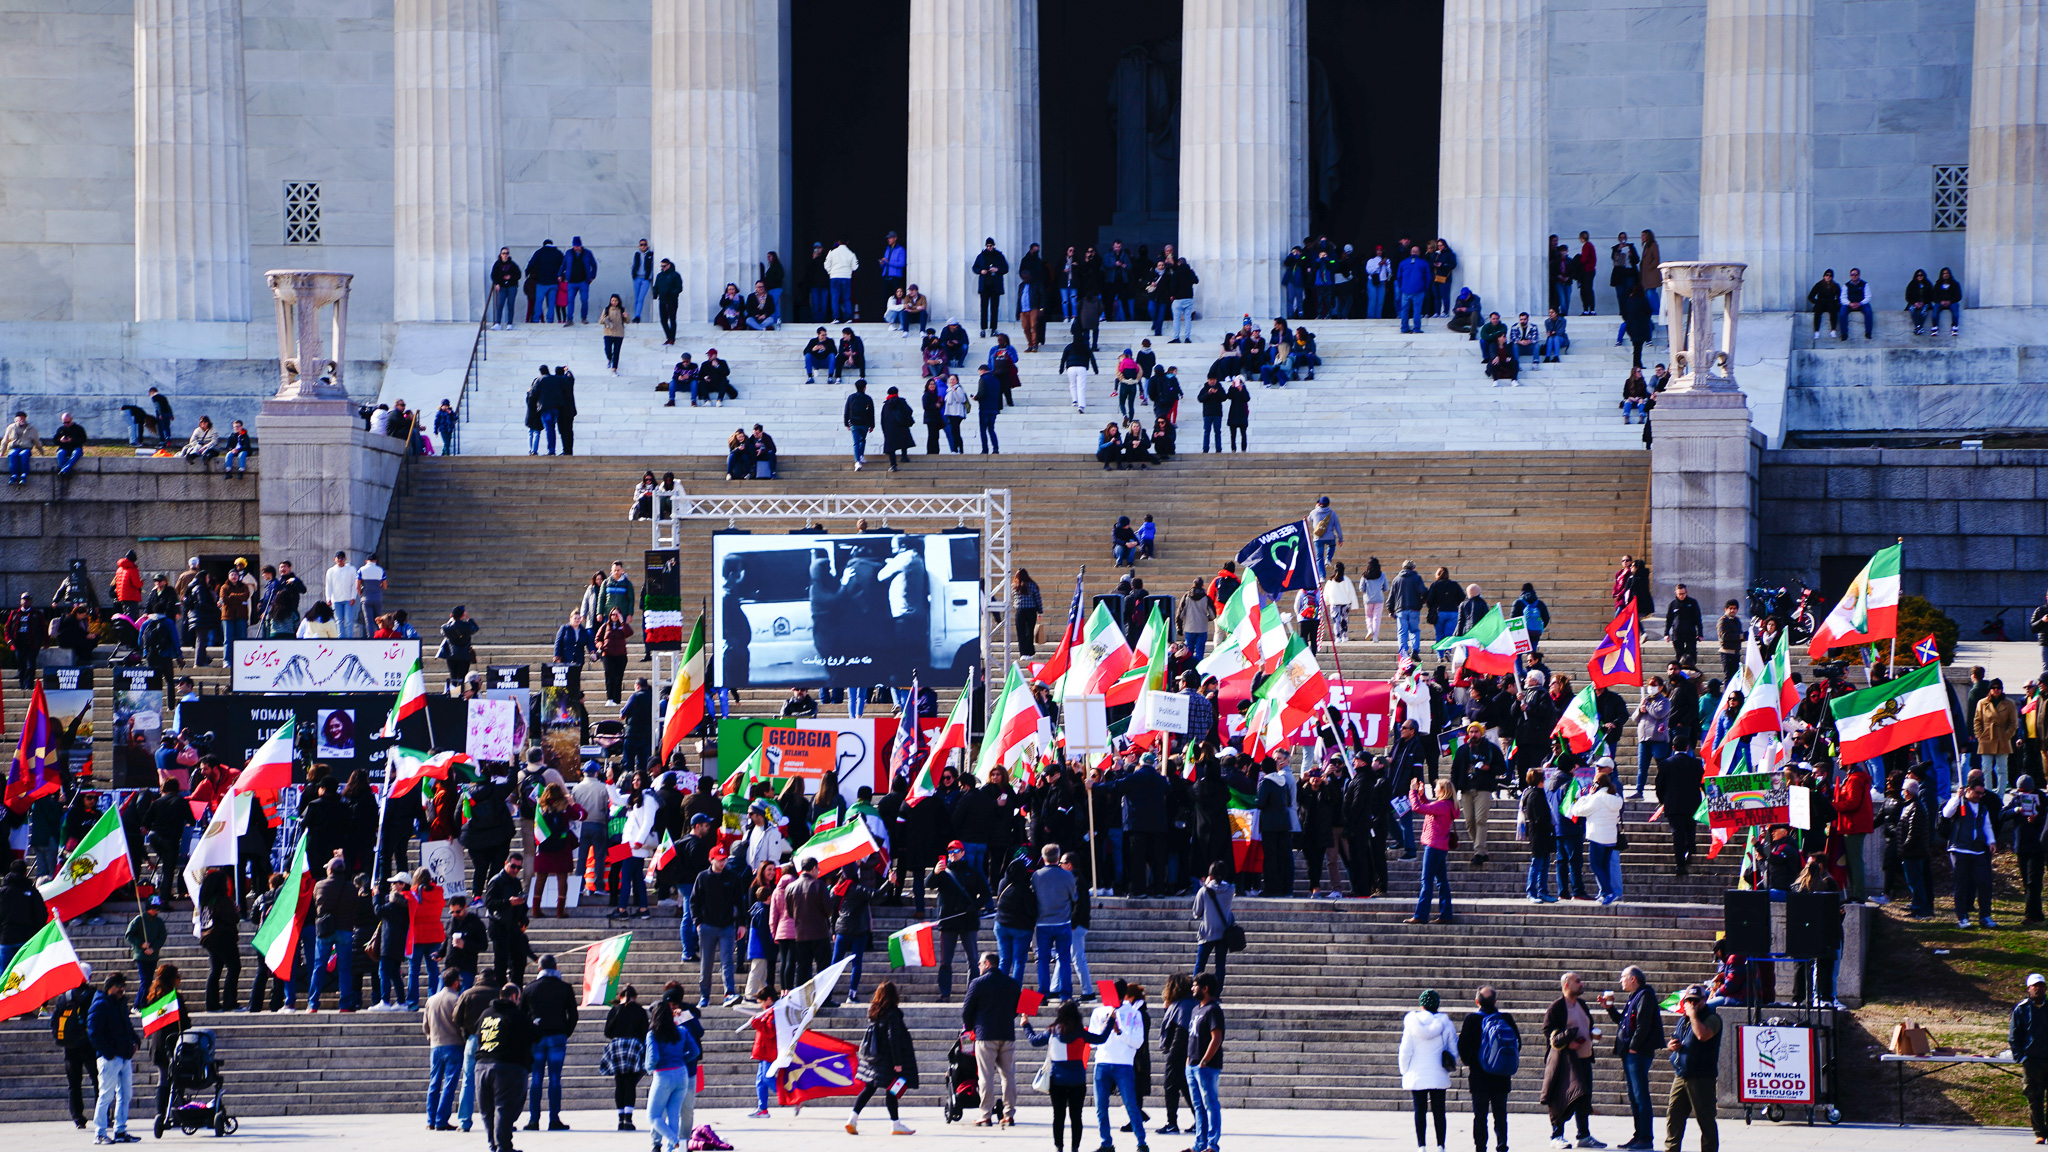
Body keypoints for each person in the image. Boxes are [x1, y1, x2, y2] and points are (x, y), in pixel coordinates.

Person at [1024, 998, 1113, 1152]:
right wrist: (1110, 1021)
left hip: (1057, 1081)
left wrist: (1026, 1024)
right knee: (1076, 1117)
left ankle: (1059, 1147)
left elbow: (1033, 1041)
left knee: (1058, 1116)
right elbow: (1101, 1039)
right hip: (1077, 1081)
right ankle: (1075, 1148)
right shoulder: (1081, 1033)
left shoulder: (1051, 1031)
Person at [1597, 967, 1664, 1150]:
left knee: (1640, 1096)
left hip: (1638, 1053)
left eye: (1623, 977)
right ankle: (1638, 1135)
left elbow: (1643, 1025)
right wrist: (1610, 1009)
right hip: (1629, 1053)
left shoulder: (1645, 996)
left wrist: (1634, 1048)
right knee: (1634, 1096)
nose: (1620, 981)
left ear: (1633, 979)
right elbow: (1624, 1022)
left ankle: (1645, 1137)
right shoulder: (1635, 996)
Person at [847, 981, 917, 1135]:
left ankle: (852, 1119)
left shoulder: (874, 1011)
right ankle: (896, 1124)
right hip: (888, 1059)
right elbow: (893, 1038)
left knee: (869, 1088)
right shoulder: (893, 1013)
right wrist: (898, 1063)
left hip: (875, 1058)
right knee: (892, 1090)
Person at [961, 952, 1021, 1127]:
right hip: (1007, 1034)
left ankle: (986, 1114)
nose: (978, 966)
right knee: (1008, 1075)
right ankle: (1008, 1114)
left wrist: (971, 1028)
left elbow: (966, 1011)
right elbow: (1016, 1009)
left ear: (987, 964)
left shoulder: (978, 983)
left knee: (986, 1076)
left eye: (980, 963)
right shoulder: (1011, 983)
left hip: (985, 1036)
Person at [476, 983, 536, 1152]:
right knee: (504, 1107)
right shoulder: (517, 1015)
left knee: (487, 1110)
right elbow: (535, 1035)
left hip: (481, 1065)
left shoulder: (485, 1014)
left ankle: (493, 1144)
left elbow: (475, 1035)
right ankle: (503, 1146)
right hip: (507, 1066)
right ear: (514, 997)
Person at [1459, 986, 1519, 1152]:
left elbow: (1463, 1047)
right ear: (1495, 1001)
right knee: (1500, 1113)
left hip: (1479, 1076)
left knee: (1480, 1115)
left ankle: (1480, 1147)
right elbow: (1517, 1043)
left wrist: (1474, 1063)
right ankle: (1501, 1145)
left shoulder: (1472, 1020)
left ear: (1477, 1001)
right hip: (1501, 1074)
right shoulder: (1506, 1018)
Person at [1088, 984, 1146, 1152]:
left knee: (1130, 1104)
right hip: (1102, 1063)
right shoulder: (1099, 1012)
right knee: (1101, 1106)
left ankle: (1141, 1142)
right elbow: (1092, 1041)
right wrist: (1105, 1027)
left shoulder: (1134, 1014)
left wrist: (1119, 1031)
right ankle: (1106, 1143)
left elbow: (1138, 1042)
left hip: (1124, 1064)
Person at [1664, 985, 1721, 1152]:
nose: (1692, 1004)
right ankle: (1671, 1149)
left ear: (1704, 1000)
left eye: (1696, 1001)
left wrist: (1693, 1015)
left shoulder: (1712, 1018)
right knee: (1674, 1116)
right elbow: (1679, 1038)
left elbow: (1703, 1035)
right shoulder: (1684, 1019)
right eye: (1689, 1000)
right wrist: (1672, 1046)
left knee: (1705, 1119)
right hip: (1681, 1074)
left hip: (1701, 1076)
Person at [1400, 988, 1458, 1152]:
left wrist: (1405, 1070)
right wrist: (1448, 1068)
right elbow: (1453, 1049)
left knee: (1420, 1110)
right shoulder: (1445, 1024)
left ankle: (1422, 1145)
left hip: (1417, 1073)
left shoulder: (1412, 1024)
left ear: (1422, 1005)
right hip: (1438, 1073)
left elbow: (1405, 1051)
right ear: (1437, 1005)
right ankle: (1441, 1145)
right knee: (1439, 1111)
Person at [643, 998, 701, 1152]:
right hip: (682, 1073)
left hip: (663, 1075)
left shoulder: (653, 1034)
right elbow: (695, 1051)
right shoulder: (682, 1031)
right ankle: (672, 1148)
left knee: (653, 1116)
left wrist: (648, 1068)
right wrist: (682, 1059)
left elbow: (653, 1057)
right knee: (673, 1113)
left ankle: (675, 1142)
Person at [1944, 774, 1999, 928]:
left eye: (1982, 794)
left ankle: (1985, 916)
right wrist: (1957, 797)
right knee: (1961, 884)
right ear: (1968, 791)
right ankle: (1962, 917)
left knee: (1985, 883)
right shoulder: (1960, 803)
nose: (1980, 796)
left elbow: (1986, 826)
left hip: (1978, 851)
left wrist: (1991, 841)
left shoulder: (1983, 808)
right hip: (1959, 849)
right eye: (1977, 793)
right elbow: (1946, 813)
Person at [88, 971, 138, 1144]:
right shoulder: (100, 1004)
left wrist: (135, 1040)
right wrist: (109, 1052)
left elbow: (127, 1025)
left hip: (124, 1056)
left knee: (126, 1094)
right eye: (119, 986)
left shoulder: (120, 1004)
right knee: (106, 1095)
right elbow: (93, 1033)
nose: (122, 989)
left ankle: (120, 1131)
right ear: (109, 987)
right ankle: (100, 1133)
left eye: (123, 986)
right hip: (109, 1058)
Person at [1569, 768, 1626, 905]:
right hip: (1611, 838)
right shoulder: (1616, 798)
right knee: (1604, 865)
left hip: (1597, 837)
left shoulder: (1596, 798)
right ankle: (1604, 893)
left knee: (1595, 865)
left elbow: (1577, 810)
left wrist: (1584, 796)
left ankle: (1608, 891)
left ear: (1597, 784)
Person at [1406, 780, 1458, 924]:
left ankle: (1421, 915)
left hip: (1433, 846)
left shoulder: (1442, 805)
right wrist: (1422, 796)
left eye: (1436, 788)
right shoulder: (1447, 805)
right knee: (1441, 881)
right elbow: (1429, 807)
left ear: (1442, 790)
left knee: (1426, 881)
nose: (1434, 790)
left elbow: (1417, 808)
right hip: (1441, 846)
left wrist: (1413, 791)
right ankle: (1446, 914)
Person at [425, 967, 466, 1130]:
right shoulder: (457, 999)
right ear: (456, 983)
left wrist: (432, 1038)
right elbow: (461, 1024)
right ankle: (441, 1119)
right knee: (449, 1083)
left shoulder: (431, 1000)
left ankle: (431, 1119)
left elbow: (425, 1026)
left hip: (435, 1045)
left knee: (434, 1083)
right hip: (454, 1045)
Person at [1192, 861, 1234, 990]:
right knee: (1220, 965)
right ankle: (1216, 993)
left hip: (1207, 932)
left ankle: (1196, 989)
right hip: (1224, 932)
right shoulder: (1231, 889)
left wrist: (1206, 884)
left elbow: (1196, 913)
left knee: (1200, 965)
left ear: (1211, 874)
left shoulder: (1204, 891)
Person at [3, 411, 41, 485]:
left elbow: (37, 441)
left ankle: (24, 475)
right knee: (13, 454)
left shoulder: (31, 428)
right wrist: (2, 452)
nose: (21, 420)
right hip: (14, 447)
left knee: (24, 454)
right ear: (15, 420)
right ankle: (14, 475)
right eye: (20, 419)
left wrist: (41, 452)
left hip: (26, 448)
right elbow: (5, 440)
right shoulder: (11, 427)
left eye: (23, 418)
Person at [601, 294, 628, 372]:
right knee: (607, 349)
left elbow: (628, 321)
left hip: (619, 333)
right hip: (608, 332)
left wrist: (626, 316)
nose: (614, 302)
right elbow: (600, 321)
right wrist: (605, 319)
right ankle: (609, 359)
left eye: (616, 300)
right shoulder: (606, 309)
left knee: (616, 351)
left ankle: (614, 369)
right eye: (612, 300)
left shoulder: (622, 310)